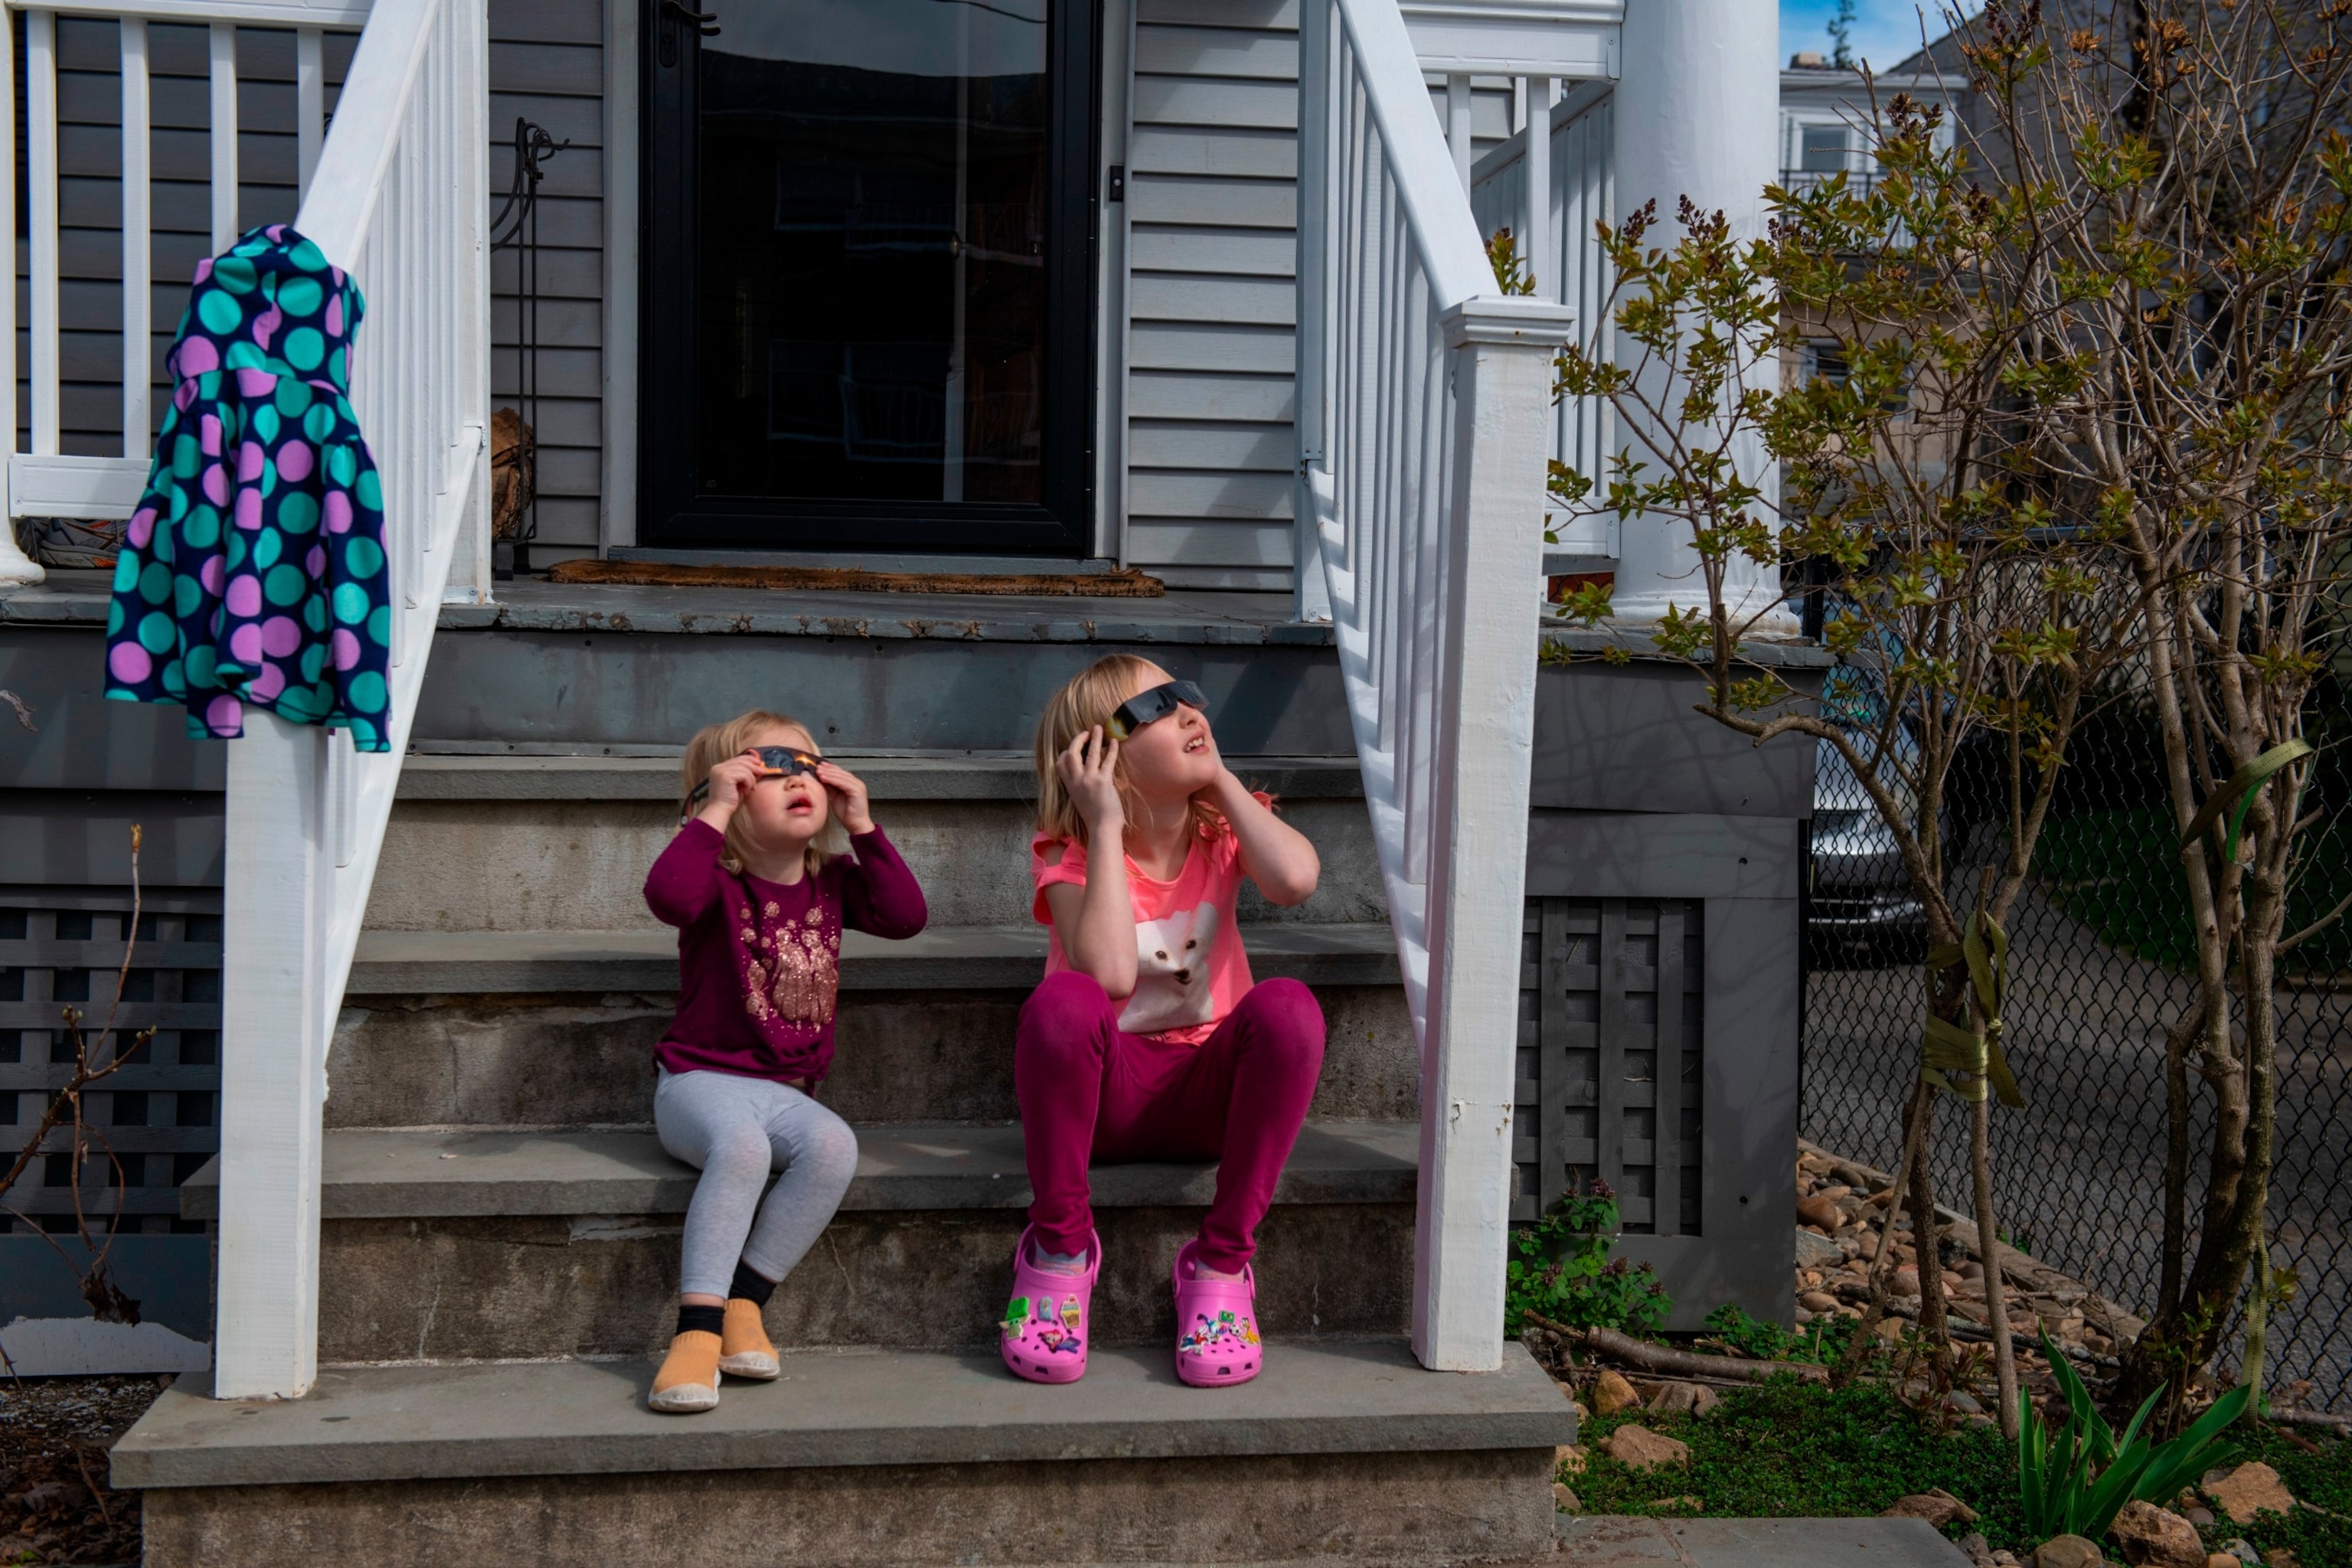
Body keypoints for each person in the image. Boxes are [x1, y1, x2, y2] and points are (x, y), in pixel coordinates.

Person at [1004, 655, 1325, 1388]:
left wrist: (1221, 781)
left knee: (1288, 1008)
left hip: (1209, 1098)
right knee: (1062, 1003)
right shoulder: (1067, 857)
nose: (1187, 712)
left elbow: (1296, 881)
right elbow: (1112, 976)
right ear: (1102, 757)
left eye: (1186, 697)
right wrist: (1106, 825)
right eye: (1155, 708)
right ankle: (1059, 1250)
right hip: (1104, 1106)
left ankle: (1220, 1263)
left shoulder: (1223, 831)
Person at [642, 710, 926, 1413]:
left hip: (785, 1091)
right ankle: (696, 1332)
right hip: (697, 1084)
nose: (797, 777)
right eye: (768, 768)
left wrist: (863, 825)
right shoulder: (714, 880)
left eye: (808, 765)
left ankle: (746, 1301)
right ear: (733, 793)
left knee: (834, 1146)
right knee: (740, 1150)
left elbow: (905, 915)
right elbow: (667, 897)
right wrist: (711, 811)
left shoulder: (832, 881)